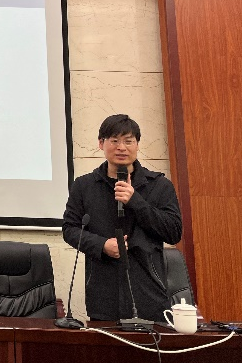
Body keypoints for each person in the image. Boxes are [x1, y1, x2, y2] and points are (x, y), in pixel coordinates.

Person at [62, 114, 183, 322]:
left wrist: (136, 201)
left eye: (128, 141)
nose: (121, 148)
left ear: (137, 145)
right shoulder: (84, 186)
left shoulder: (159, 185)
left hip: (149, 295)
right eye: (114, 141)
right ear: (101, 143)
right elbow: (70, 229)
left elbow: (173, 232)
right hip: (103, 295)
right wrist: (102, 245)